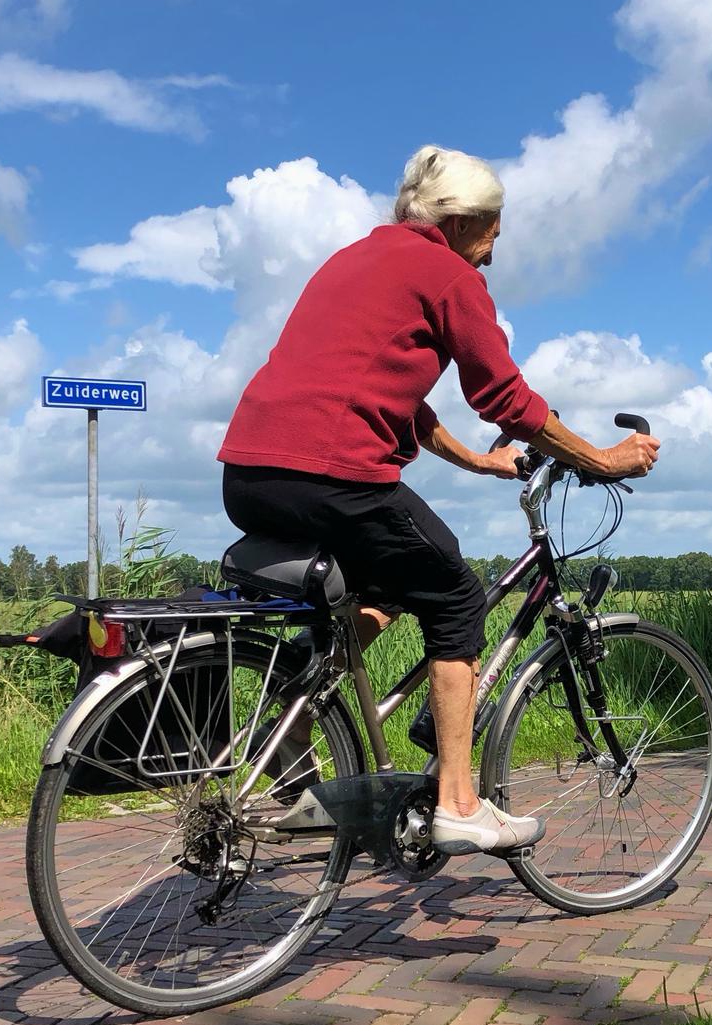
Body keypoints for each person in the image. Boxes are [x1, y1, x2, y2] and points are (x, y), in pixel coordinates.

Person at [217, 144, 660, 854]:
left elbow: (404, 406)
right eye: (490, 232)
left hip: (250, 473)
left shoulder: (350, 262)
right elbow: (507, 398)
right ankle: (458, 801)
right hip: (333, 474)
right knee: (454, 592)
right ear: (457, 224)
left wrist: (481, 462)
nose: (489, 254)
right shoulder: (447, 274)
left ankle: (292, 731)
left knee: (392, 581)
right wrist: (600, 458)